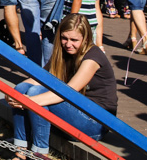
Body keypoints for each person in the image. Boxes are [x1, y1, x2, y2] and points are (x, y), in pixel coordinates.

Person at [7, 14, 117, 157]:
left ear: (86, 38)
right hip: (73, 113)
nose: (68, 44)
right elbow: (39, 79)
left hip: (94, 123)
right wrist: (14, 93)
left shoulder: (93, 58)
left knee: (35, 93)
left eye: (74, 40)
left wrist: (26, 101)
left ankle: (39, 154)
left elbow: (68, 92)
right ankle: (20, 151)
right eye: (64, 38)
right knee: (22, 89)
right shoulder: (63, 53)